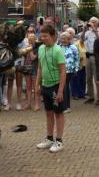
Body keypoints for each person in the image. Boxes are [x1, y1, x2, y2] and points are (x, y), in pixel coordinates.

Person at [35, 25, 66, 153]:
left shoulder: (58, 50)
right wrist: (37, 85)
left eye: (45, 36)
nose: (43, 38)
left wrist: (60, 91)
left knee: (58, 113)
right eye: (41, 36)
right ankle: (49, 139)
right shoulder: (41, 48)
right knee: (48, 113)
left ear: (52, 36)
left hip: (55, 86)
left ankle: (59, 141)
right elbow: (40, 68)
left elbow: (63, 72)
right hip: (45, 85)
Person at [59, 31, 79, 114]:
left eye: (65, 39)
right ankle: (62, 105)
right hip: (59, 70)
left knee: (65, 86)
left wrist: (76, 69)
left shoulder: (73, 47)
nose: (63, 40)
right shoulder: (57, 47)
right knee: (62, 87)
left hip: (69, 70)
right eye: (62, 39)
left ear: (69, 39)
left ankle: (67, 106)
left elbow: (76, 59)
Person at [82, 17, 99, 104]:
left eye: (94, 22)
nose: (92, 23)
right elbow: (81, 40)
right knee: (88, 78)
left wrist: (95, 30)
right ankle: (91, 96)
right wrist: (84, 30)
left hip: (95, 56)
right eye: (91, 22)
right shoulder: (87, 33)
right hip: (88, 56)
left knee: (96, 77)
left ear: (97, 23)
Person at [24, 32, 40, 111]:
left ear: (35, 39)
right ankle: (29, 103)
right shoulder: (26, 47)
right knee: (28, 87)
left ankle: (37, 104)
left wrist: (30, 49)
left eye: (31, 38)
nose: (30, 39)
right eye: (29, 38)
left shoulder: (38, 48)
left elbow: (33, 58)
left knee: (36, 87)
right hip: (27, 69)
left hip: (34, 69)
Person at [71, 34, 86, 100]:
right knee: (75, 79)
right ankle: (75, 94)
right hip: (76, 63)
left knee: (82, 79)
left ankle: (82, 93)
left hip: (83, 64)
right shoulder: (74, 44)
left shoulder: (83, 43)